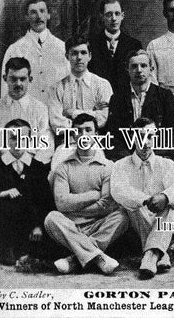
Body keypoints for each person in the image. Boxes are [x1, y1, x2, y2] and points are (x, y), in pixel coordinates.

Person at [44, 114, 128, 275]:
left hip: (99, 224)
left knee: (122, 216)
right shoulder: (63, 167)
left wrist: (74, 207)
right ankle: (98, 257)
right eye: (79, 131)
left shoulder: (108, 166)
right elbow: (61, 203)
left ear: (96, 134)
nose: (83, 135)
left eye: (88, 130)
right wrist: (93, 195)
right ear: (73, 135)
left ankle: (74, 259)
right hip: (70, 225)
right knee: (52, 218)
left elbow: (107, 206)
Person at [110, 117, 174, 279]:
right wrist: (146, 200)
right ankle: (159, 252)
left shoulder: (166, 164)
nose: (146, 143)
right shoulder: (121, 165)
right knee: (132, 204)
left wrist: (164, 197)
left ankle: (151, 255)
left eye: (150, 137)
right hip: (136, 229)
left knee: (171, 205)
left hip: (166, 224)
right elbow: (118, 191)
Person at [0, 119, 55, 265]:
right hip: (6, 228)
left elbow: (45, 202)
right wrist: (3, 193)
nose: (19, 143)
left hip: (31, 227)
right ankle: (10, 248)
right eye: (14, 138)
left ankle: (30, 250)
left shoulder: (37, 167)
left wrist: (38, 226)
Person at [0, 57, 53, 173]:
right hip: (1, 173)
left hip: (31, 173)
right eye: (13, 79)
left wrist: (31, 173)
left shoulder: (40, 109)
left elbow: (46, 148)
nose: (18, 84)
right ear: (5, 78)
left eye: (22, 79)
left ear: (30, 79)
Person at [106, 49, 174, 161]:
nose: (139, 70)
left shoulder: (165, 96)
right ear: (127, 69)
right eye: (134, 66)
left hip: (158, 157)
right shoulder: (117, 99)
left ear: (151, 69)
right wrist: (129, 159)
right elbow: (113, 135)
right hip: (127, 159)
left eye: (143, 66)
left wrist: (150, 155)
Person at [0, 0, 69, 105]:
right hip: (25, 116)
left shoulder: (62, 48)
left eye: (42, 11)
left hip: (56, 116)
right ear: (26, 17)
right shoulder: (14, 49)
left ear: (48, 15)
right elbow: (5, 89)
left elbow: (70, 86)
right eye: (33, 12)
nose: (38, 16)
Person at [48, 34, 113, 134]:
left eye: (83, 53)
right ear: (67, 56)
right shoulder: (56, 88)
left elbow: (102, 120)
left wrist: (72, 113)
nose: (79, 58)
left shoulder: (102, 85)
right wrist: (93, 114)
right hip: (67, 142)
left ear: (90, 56)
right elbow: (57, 124)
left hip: (94, 141)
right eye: (74, 53)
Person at [88, 0, 143, 95]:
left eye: (117, 14)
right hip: (98, 99)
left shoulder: (134, 44)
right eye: (109, 14)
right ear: (102, 16)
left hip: (125, 101)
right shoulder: (91, 43)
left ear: (122, 16)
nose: (113, 18)